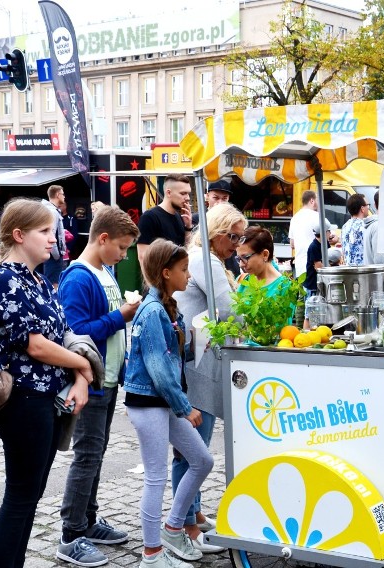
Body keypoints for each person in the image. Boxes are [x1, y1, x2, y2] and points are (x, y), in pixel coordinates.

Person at [0, 199, 94, 568]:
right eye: (45, 231)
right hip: (23, 400)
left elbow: (64, 334)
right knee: (19, 497)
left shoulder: (38, 279)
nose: (54, 239)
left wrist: (80, 377)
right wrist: (83, 366)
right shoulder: (3, 279)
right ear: (18, 235)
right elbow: (35, 345)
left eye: (53, 231)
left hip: (50, 397)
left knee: (30, 496)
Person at [55, 206, 141, 566]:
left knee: (97, 451)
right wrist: (120, 316)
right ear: (102, 239)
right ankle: (71, 533)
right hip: (89, 381)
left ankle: (87, 519)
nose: (124, 256)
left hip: (106, 379)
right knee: (87, 454)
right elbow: (74, 334)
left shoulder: (104, 270)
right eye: (121, 248)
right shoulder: (78, 277)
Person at [124, 239, 214, 568]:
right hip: (150, 402)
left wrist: (196, 342)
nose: (189, 276)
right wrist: (184, 407)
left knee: (202, 460)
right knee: (156, 477)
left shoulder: (164, 306)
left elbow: (170, 357)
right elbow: (159, 371)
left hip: (160, 401)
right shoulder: (152, 311)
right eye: (184, 270)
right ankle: (151, 556)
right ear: (166, 273)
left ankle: (174, 528)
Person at [172, 202, 246, 553]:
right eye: (233, 237)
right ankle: (185, 525)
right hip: (195, 362)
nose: (237, 244)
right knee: (191, 451)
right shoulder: (206, 261)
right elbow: (229, 309)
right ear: (217, 234)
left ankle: (195, 514)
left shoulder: (206, 258)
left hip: (195, 359)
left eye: (240, 237)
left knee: (194, 446)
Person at [137, 173, 193, 267]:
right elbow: (143, 257)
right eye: (183, 193)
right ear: (168, 193)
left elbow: (186, 250)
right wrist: (155, 281)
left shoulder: (179, 217)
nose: (187, 198)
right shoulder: (150, 217)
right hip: (159, 279)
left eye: (188, 193)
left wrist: (188, 227)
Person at [237, 226, 291, 297]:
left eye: (245, 257)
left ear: (265, 254)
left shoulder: (284, 287)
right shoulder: (243, 280)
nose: (241, 264)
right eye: (238, 258)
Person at [41, 185, 68, 288]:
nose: (64, 197)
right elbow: (51, 233)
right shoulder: (52, 212)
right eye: (63, 194)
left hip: (50, 254)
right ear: (57, 195)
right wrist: (57, 255)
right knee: (53, 285)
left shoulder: (49, 210)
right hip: (53, 256)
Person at [288, 190, 318, 278]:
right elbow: (328, 239)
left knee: (302, 291)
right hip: (313, 264)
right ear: (312, 201)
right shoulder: (317, 216)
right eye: (317, 200)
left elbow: (292, 244)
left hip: (299, 265)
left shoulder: (294, 218)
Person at [341, 194, 369, 265]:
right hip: (362, 271)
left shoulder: (344, 227)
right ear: (362, 208)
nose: (368, 207)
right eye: (368, 205)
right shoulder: (364, 226)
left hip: (348, 270)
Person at [363, 190, 384, 266]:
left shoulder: (370, 225)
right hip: (381, 277)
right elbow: (380, 260)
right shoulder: (378, 226)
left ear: (375, 205)